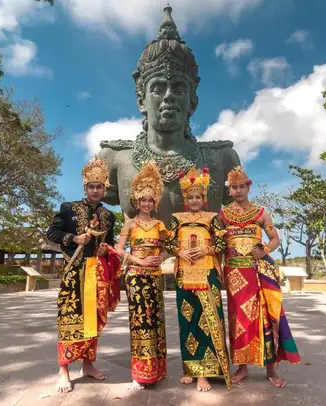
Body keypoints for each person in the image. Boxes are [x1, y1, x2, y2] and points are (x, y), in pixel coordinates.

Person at [97, 5, 241, 227]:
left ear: (192, 100)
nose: (168, 97)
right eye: (157, 88)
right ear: (141, 100)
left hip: (202, 261)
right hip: (141, 261)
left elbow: (236, 221)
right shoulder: (113, 158)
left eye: (179, 89)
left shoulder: (222, 158)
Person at [219, 166, 301, 387]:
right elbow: (218, 246)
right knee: (238, 321)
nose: (238, 191)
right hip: (235, 275)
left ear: (248, 187)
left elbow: (275, 239)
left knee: (266, 318)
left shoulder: (262, 213)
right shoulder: (223, 215)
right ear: (230, 191)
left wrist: (265, 250)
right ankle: (242, 367)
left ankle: (271, 370)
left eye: (241, 186)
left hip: (258, 274)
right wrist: (218, 269)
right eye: (234, 187)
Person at [46, 157, 121, 393]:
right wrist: (74, 239)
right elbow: (53, 233)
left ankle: (88, 365)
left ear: (105, 188)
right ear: (85, 187)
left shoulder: (109, 217)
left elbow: (109, 245)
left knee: (93, 321)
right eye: (92, 186)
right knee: (69, 318)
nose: (96, 190)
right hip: (75, 274)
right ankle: (64, 370)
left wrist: (103, 249)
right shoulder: (68, 208)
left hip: (96, 274)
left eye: (100, 186)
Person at [166, 167, 231, 392]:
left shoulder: (212, 218)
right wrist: (179, 252)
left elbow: (223, 244)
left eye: (198, 197)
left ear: (203, 199)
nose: (194, 200)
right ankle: (189, 369)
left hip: (207, 274)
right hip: (184, 275)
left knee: (207, 321)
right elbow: (168, 242)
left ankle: (205, 372)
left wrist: (207, 251)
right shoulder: (177, 218)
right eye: (190, 197)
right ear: (186, 198)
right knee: (187, 323)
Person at [115, 161, 167, 390]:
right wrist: (139, 260)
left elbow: (167, 248)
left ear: (155, 202)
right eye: (142, 200)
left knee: (156, 321)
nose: (146, 203)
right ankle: (141, 372)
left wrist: (160, 258)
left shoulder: (160, 224)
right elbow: (118, 250)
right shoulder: (129, 224)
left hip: (155, 276)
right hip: (135, 276)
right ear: (136, 201)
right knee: (140, 321)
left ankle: (157, 370)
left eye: (150, 200)